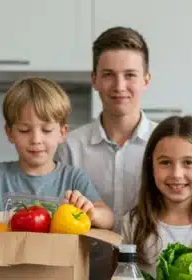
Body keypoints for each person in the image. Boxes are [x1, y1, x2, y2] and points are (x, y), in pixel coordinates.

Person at [0, 76, 115, 230]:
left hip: (56, 270)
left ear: (62, 132)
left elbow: (109, 218)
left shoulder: (73, 178)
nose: (36, 139)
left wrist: (92, 212)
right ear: (10, 133)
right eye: (24, 130)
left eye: (46, 130)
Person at [56, 26, 156, 233]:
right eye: (108, 75)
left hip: (149, 264)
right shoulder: (69, 148)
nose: (119, 86)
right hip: (85, 264)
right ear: (94, 80)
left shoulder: (166, 145)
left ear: (146, 80)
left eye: (130, 75)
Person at [121, 115, 192, 273]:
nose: (176, 174)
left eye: (188, 163)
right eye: (165, 162)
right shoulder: (133, 223)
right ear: (151, 167)